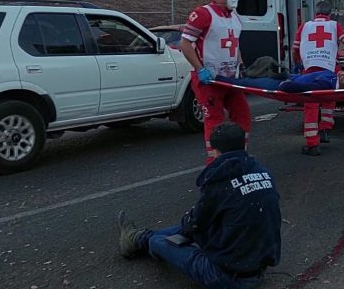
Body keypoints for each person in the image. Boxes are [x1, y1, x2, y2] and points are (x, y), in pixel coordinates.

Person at [117, 122, 281, 289]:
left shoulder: (220, 181)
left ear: (215, 151)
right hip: (257, 266)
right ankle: (139, 237)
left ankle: (142, 239)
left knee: (159, 242)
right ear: (244, 144)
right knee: (200, 226)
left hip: (226, 276)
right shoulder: (263, 172)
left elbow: (195, 224)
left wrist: (187, 231)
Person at [180, 0, 251, 165]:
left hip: (231, 79)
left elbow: (234, 44)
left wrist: (241, 64)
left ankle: (240, 155)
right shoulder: (203, 14)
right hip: (209, 80)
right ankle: (216, 162)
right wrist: (200, 69)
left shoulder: (235, 17)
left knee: (242, 115)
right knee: (214, 121)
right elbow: (185, 44)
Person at [290, 1, 344, 156]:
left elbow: (295, 49)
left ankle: (312, 144)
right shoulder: (334, 25)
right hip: (329, 68)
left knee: (311, 103)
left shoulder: (304, 26)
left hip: (309, 69)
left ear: (315, 12)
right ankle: (325, 129)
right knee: (329, 98)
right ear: (330, 13)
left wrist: (298, 63)